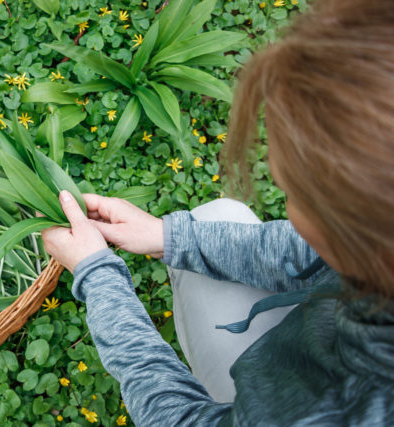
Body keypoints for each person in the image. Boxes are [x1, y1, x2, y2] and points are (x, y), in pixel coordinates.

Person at [41, 0, 394, 424]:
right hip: (316, 343)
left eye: (292, 192)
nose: (284, 200)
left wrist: (97, 275)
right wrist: (170, 236)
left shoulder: (333, 414)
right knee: (215, 216)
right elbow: (309, 252)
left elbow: (181, 419)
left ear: (357, 238)